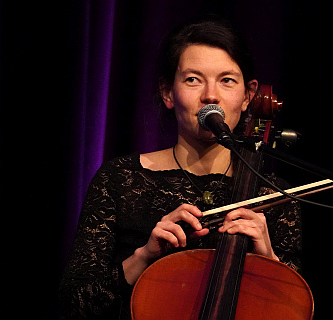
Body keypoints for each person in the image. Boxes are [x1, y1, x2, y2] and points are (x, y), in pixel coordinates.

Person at [59, 17, 302, 320]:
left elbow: (293, 312)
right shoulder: (119, 179)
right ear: (167, 93)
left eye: (227, 80)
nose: (210, 95)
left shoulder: (274, 196)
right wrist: (144, 256)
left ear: (248, 96)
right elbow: (75, 305)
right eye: (193, 79)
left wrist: (267, 259)